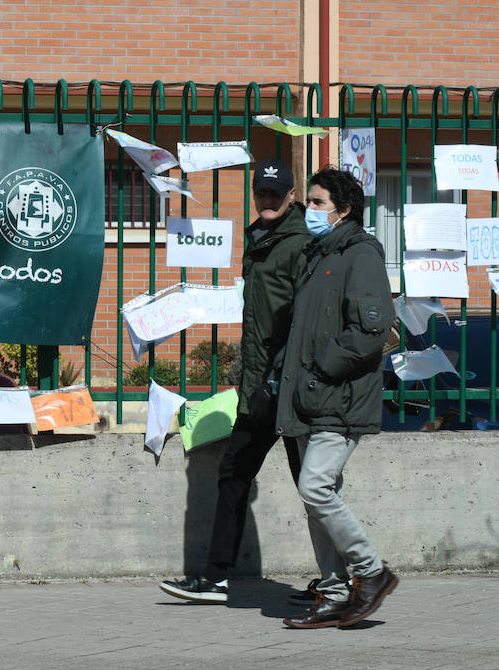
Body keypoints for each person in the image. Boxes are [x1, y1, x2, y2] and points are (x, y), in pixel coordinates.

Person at [159, 159, 309, 605]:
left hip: (289, 386)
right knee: (234, 473)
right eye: (261, 193)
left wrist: (280, 374)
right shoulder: (260, 238)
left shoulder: (300, 244)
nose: (266, 200)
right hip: (258, 386)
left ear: (291, 195)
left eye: (275, 194)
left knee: (313, 486)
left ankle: (346, 579)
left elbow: (302, 319)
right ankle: (215, 578)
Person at [277, 167, 398, 629]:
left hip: (340, 395)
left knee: (316, 487)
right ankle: (331, 593)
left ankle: (371, 573)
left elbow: (371, 330)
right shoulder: (319, 254)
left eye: (318, 203)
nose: (309, 210)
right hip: (311, 396)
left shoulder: (359, 255)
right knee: (315, 499)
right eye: (309, 201)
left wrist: (321, 369)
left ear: (344, 210)